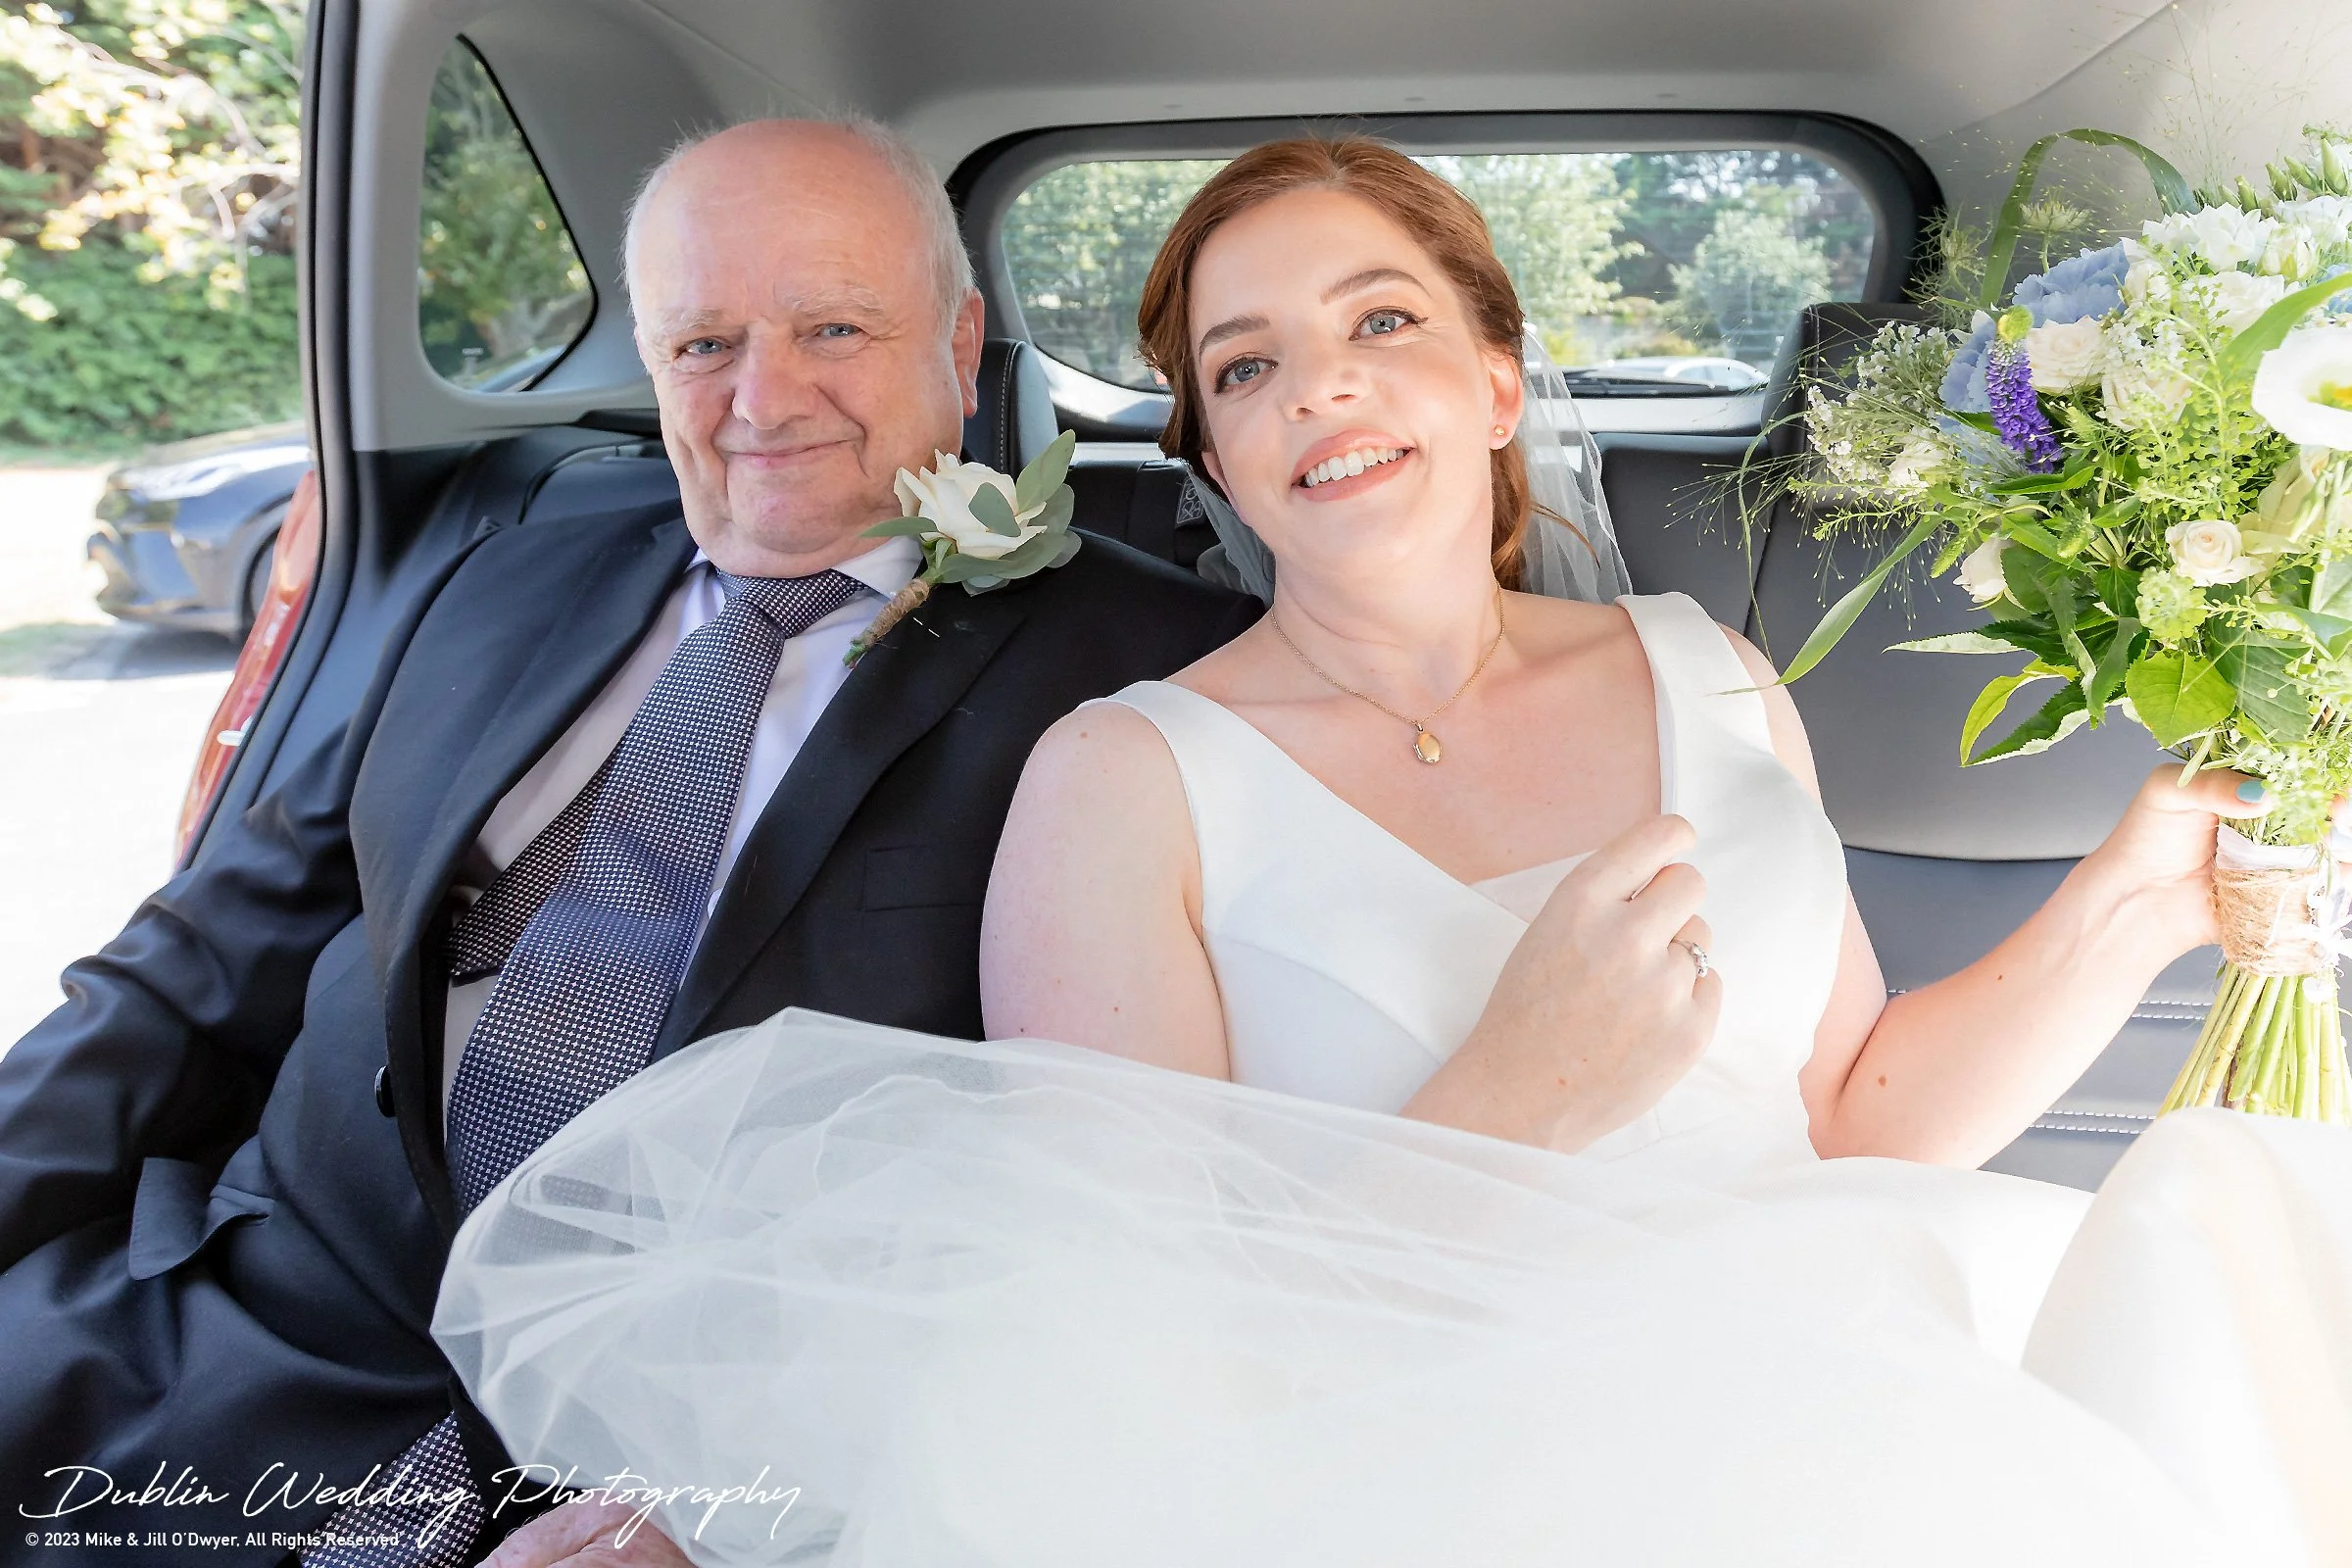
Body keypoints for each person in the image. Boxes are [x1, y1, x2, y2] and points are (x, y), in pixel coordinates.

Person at [435, 138, 2352, 1566]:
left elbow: (1854, 1118)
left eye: (1382, 324)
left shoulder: (1721, 677)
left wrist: (2133, 901)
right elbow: (1138, 1352)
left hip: (1848, 1385)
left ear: (1498, 382)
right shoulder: (1121, 782)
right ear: (1210, 454)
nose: (1323, 385)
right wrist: (1515, 1092)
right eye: (1249, 366)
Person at [0, 118, 1255, 1568]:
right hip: (246, 1345)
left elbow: (1136, 1205)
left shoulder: (1167, 670)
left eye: (833, 326)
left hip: (704, 1457)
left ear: (960, 335)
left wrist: (768, 1488)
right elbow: (206, 960)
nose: (761, 398)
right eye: (703, 342)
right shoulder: (493, 582)